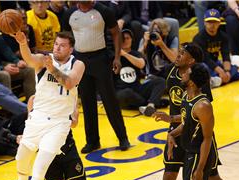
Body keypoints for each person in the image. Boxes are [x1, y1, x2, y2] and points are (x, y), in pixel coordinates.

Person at [0, 30, 85, 180]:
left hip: (58, 124)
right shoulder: (44, 60)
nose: (57, 48)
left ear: (70, 48)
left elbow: (70, 82)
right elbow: (28, 58)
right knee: (21, 157)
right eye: (56, 44)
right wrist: (22, 43)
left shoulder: (77, 64)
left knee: (39, 168)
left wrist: (52, 68)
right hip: (38, 119)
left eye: (62, 45)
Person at [152, 43, 239, 180]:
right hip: (180, 131)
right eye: (179, 52)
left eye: (183, 53)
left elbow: (200, 123)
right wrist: (171, 131)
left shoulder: (199, 87)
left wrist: (200, 167)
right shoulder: (178, 80)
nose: (178, 55)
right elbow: (184, 116)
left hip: (199, 138)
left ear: (191, 64)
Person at [167, 63, 235, 180]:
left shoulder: (203, 105)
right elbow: (185, 123)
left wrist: (199, 169)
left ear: (192, 82)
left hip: (199, 155)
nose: (182, 74)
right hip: (189, 154)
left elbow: (206, 139)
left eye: (186, 73)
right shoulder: (186, 97)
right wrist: (172, 135)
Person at [63, 1, 130, 153]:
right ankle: (92, 141)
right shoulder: (70, 14)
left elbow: (116, 33)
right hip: (80, 60)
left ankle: (122, 137)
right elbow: (66, 38)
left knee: (109, 100)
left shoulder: (104, 10)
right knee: (87, 102)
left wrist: (117, 57)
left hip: (100, 58)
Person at [115, 29, 164, 110]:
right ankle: (152, 103)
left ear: (131, 40)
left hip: (137, 90)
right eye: (123, 38)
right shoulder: (114, 55)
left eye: (128, 38)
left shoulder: (136, 53)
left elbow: (141, 64)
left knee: (160, 81)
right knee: (126, 93)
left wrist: (124, 54)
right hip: (122, 91)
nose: (125, 40)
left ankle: (150, 105)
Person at [193, 9, 239, 88]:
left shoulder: (223, 37)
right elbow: (205, 58)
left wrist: (227, 72)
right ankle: (215, 79)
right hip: (202, 64)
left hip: (216, 63)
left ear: (219, 22)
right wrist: (220, 71)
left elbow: (225, 55)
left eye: (215, 22)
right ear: (205, 23)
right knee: (203, 68)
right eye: (209, 22)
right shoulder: (198, 38)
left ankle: (216, 80)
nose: (212, 25)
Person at [138, 18, 178, 116]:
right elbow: (138, 58)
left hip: (168, 74)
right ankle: (152, 105)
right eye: (154, 30)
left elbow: (174, 59)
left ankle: (152, 104)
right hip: (153, 77)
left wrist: (162, 45)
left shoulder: (172, 38)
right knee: (158, 83)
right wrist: (145, 44)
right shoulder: (146, 39)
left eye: (158, 31)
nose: (155, 34)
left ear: (164, 32)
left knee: (175, 69)